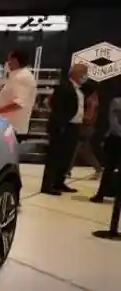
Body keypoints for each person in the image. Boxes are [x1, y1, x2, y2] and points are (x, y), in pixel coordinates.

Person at [40, 63, 89, 196]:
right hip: (63, 126)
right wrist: (59, 125)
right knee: (55, 156)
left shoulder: (78, 89)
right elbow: (57, 107)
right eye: (84, 73)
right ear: (76, 73)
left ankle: (59, 182)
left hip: (74, 126)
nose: (86, 76)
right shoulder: (64, 87)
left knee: (66, 157)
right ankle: (47, 185)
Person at [0, 49, 37, 137]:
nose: (7, 63)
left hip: (13, 129)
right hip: (8, 128)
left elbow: (19, 103)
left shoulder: (21, 77)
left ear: (15, 60)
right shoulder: (17, 76)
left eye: (9, 60)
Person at [90, 87, 121, 203]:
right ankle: (101, 194)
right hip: (115, 140)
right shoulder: (116, 101)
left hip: (116, 138)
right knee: (109, 168)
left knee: (109, 168)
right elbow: (113, 122)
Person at [69, 80, 102, 180]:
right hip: (88, 127)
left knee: (75, 149)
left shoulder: (90, 100)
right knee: (84, 150)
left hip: (84, 127)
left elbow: (89, 116)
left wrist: (79, 118)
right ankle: (98, 169)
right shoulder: (93, 98)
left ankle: (67, 170)